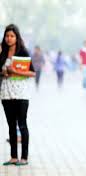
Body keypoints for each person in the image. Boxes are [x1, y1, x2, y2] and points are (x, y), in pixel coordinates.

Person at [0, 24, 35, 166]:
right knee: (10, 126)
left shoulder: (23, 52)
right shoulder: (2, 53)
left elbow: (32, 72)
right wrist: (4, 72)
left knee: (22, 125)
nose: (9, 39)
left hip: (21, 93)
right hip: (6, 93)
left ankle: (24, 158)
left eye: (12, 36)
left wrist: (15, 71)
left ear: (17, 37)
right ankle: (14, 157)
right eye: (7, 36)